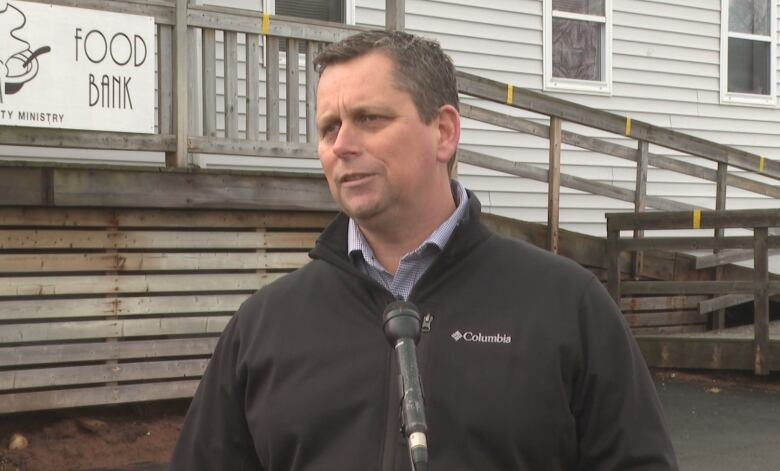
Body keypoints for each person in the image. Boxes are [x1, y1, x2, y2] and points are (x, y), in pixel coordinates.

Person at [170, 30, 678, 470]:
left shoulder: (567, 305)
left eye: (369, 119)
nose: (342, 145)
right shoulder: (265, 325)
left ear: (444, 132)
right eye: (329, 127)